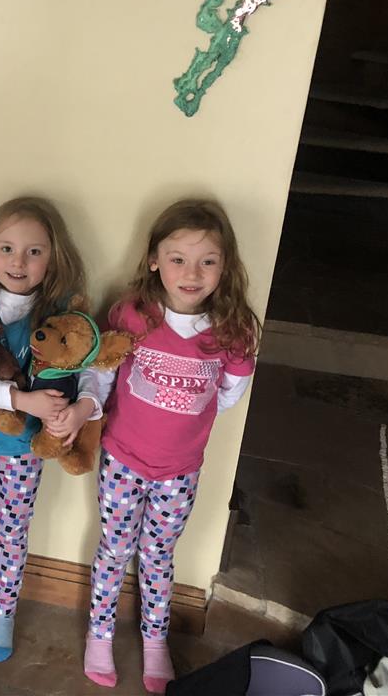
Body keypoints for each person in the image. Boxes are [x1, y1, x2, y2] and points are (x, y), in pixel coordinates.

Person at [79, 199, 260, 693]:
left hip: (180, 470)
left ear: (225, 266)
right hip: (122, 460)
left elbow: (229, 393)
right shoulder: (132, 315)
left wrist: (184, 415)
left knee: (158, 556)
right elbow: (101, 373)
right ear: (155, 260)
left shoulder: (232, 330)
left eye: (207, 261)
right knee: (114, 549)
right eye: (178, 258)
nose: (192, 273)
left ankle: (155, 639)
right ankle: (100, 633)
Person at [0, 196, 99, 663]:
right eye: (7, 248)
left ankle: (3, 612)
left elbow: (89, 365)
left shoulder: (61, 308)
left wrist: (80, 410)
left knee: (12, 533)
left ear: (53, 258)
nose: (18, 262)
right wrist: (20, 399)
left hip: (24, 448)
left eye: (34, 252)